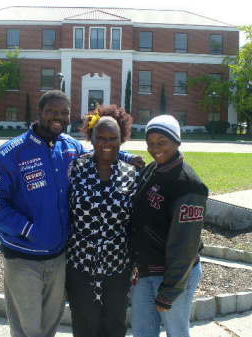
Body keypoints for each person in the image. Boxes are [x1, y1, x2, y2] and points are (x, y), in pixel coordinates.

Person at [0, 90, 143, 337]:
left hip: (59, 259)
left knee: (48, 327)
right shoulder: (12, 152)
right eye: (51, 112)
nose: (58, 117)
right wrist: (28, 229)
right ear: (39, 113)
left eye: (64, 113)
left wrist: (126, 156)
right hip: (23, 258)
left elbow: (102, 150)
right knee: (27, 329)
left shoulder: (70, 148)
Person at [130, 115, 208, 337]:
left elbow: (186, 244)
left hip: (172, 276)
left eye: (162, 142)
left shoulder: (189, 185)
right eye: (151, 143)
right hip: (145, 271)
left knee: (177, 332)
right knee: (142, 331)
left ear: (176, 141)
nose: (155, 148)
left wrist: (170, 289)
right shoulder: (152, 170)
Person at [66, 105, 138, 337]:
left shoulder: (131, 173)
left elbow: (136, 222)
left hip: (117, 267)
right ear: (91, 137)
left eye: (113, 138)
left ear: (122, 138)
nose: (107, 143)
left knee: (115, 326)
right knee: (84, 325)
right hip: (80, 265)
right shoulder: (76, 168)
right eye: (101, 137)